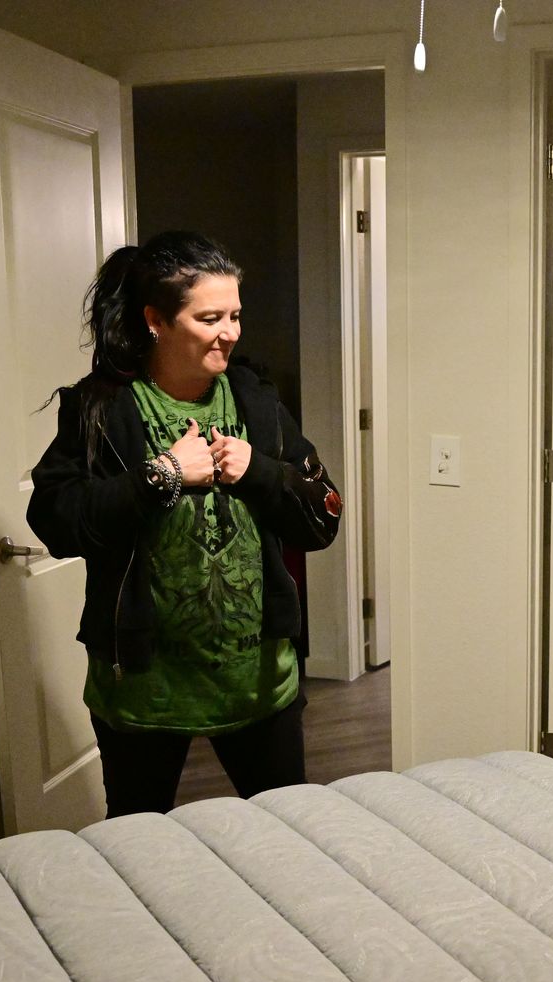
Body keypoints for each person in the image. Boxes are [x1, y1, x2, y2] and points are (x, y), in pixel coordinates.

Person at [28, 231, 341, 816]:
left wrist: (259, 473)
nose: (231, 332)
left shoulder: (258, 402)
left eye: (236, 315)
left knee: (290, 837)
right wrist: (160, 476)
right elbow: (56, 521)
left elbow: (323, 519)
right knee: (140, 851)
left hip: (260, 685)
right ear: (156, 320)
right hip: (145, 689)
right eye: (210, 317)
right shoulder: (100, 409)